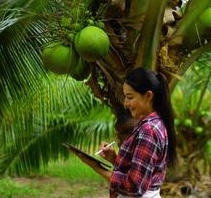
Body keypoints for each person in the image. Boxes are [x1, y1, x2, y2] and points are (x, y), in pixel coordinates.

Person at [75, 67, 177, 198]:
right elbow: (141, 170)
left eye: (130, 97)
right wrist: (114, 159)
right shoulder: (155, 123)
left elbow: (134, 186)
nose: (125, 103)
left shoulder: (149, 130)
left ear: (148, 96)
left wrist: (95, 166)